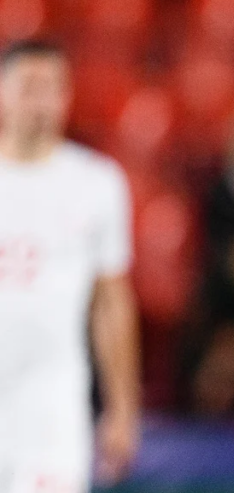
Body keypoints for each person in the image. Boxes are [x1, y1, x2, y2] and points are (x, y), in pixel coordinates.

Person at [0, 40, 141, 492]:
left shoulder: (96, 183)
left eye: (51, 88)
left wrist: (122, 409)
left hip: (52, 403)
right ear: (3, 91)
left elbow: (110, 304)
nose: (40, 101)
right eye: (28, 86)